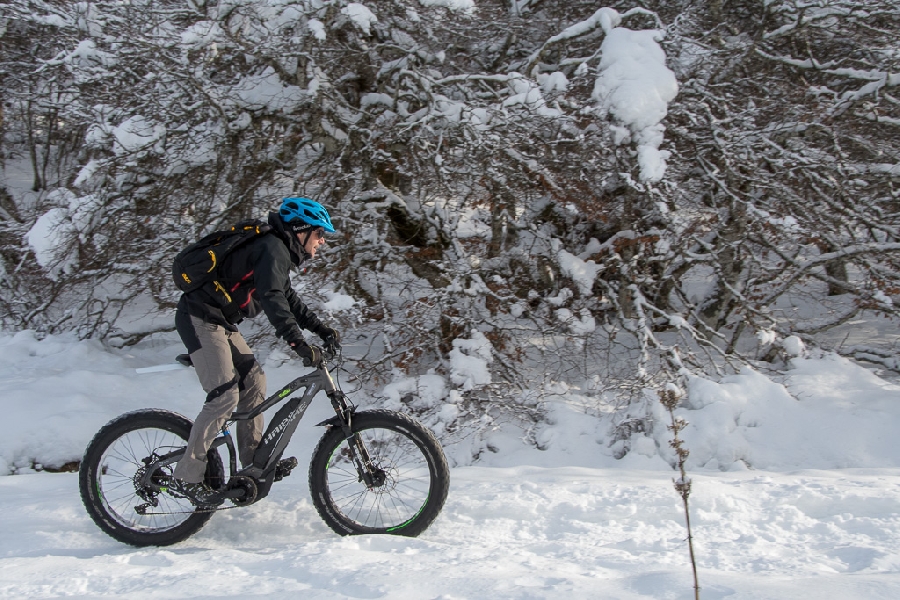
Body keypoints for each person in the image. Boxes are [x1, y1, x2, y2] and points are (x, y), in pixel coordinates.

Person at [167, 197, 341, 506]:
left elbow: (288, 298)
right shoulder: (272, 248)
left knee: (255, 381)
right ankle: (187, 476)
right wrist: (297, 343)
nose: (322, 241)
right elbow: (272, 298)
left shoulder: (275, 253)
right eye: (319, 234)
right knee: (224, 395)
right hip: (199, 317)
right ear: (301, 230)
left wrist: (321, 329)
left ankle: (252, 465)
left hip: (218, 321)